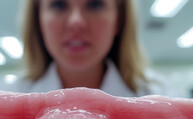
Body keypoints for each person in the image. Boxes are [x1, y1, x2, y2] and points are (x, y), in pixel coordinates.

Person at [19, 0, 160, 97]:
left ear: (119, 21)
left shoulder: (160, 98)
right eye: (59, 5)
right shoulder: (10, 98)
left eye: (95, 4)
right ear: (38, 21)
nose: (76, 21)